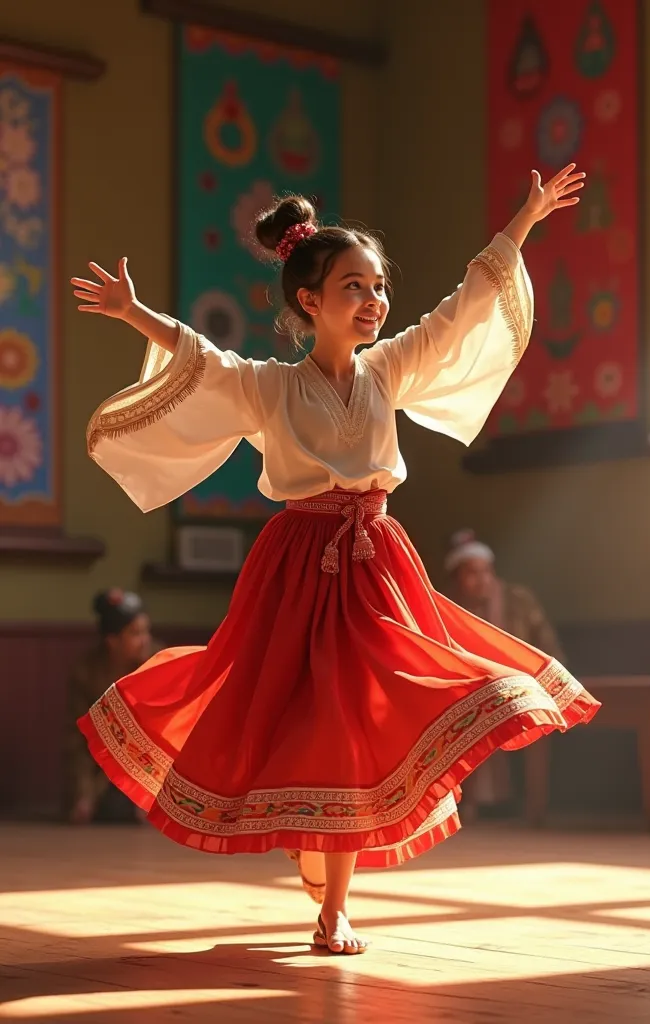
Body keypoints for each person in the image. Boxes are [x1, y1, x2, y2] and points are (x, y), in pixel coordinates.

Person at [71, 163, 599, 956]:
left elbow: (462, 310)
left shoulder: (389, 368)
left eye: (378, 287)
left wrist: (523, 219)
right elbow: (199, 359)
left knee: (356, 724)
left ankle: (334, 909)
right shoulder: (269, 387)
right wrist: (133, 311)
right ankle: (314, 863)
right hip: (296, 563)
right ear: (308, 301)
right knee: (294, 716)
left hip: (377, 561)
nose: (375, 301)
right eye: (355, 287)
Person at [444, 530, 565, 818]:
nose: (481, 579)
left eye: (486, 571)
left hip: (521, 687)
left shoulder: (518, 600)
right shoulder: (448, 606)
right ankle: (468, 804)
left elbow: (547, 644)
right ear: (457, 577)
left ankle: (533, 806)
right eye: (471, 573)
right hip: (468, 691)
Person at [65, 589, 156, 824]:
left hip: (154, 771)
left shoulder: (158, 664)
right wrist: (83, 796)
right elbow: (78, 739)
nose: (145, 640)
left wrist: (150, 795)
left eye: (146, 631)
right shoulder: (86, 672)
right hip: (104, 775)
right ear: (112, 641)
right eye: (135, 633)